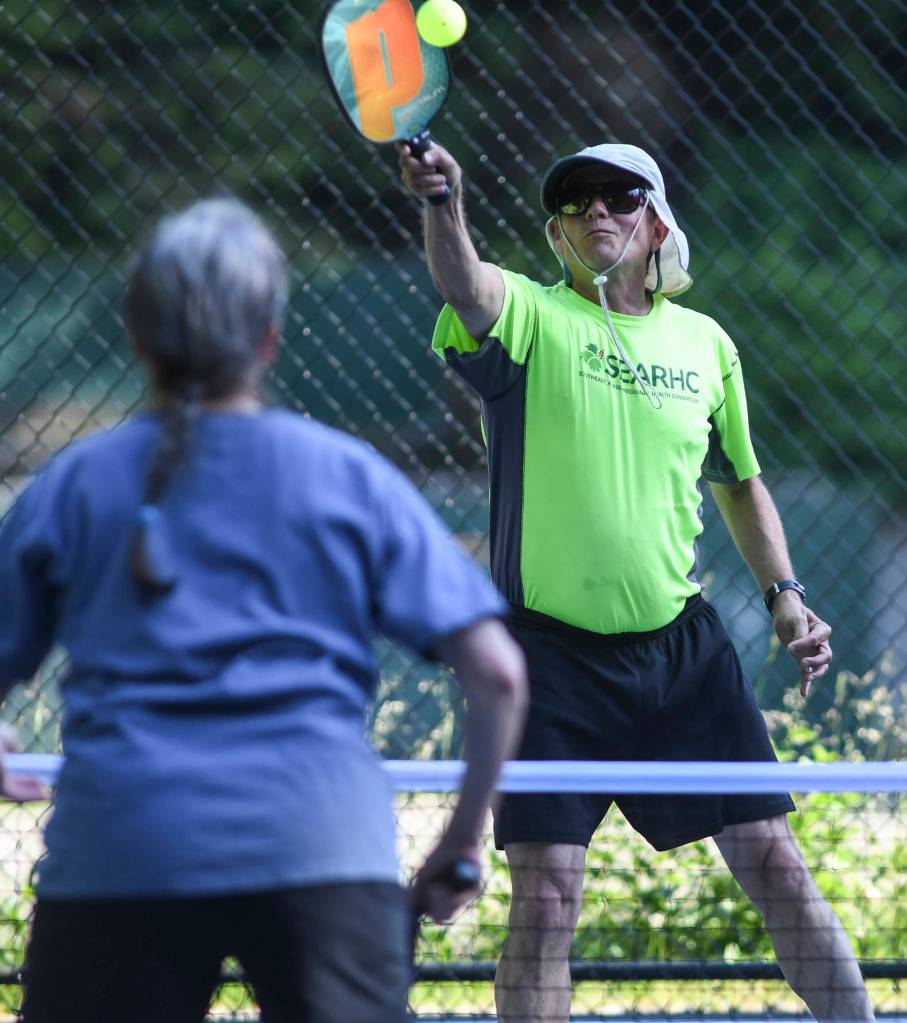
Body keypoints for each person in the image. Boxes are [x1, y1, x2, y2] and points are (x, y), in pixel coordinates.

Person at [0, 198, 528, 1023]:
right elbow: (497, 672)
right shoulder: (349, 477)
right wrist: (461, 843)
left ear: (137, 336)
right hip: (324, 848)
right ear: (270, 339)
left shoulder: (71, 486)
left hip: (121, 852)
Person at [398, 140, 875, 1023]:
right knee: (545, 900)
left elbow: (737, 480)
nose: (595, 212)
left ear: (657, 222)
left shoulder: (705, 344)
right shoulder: (531, 318)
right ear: (555, 232)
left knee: (776, 865)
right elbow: (464, 288)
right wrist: (442, 202)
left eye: (618, 197)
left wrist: (785, 596)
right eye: (574, 203)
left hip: (681, 650)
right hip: (546, 658)